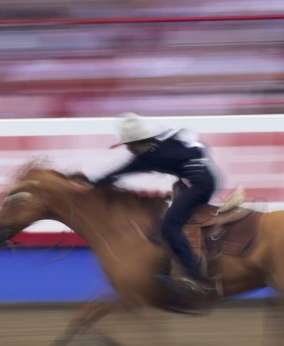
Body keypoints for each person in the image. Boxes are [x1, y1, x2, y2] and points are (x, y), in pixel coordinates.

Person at [88, 112, 220, 295]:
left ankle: (191, 273)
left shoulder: (150, 156)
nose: (127, 148)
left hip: (199, 185)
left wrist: (91, 183)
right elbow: (200, 149)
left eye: (128, 144)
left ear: (136, 142)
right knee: (174, 217)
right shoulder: (162, 143)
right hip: (203, 181)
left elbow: (121, 171)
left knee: (170, 224)